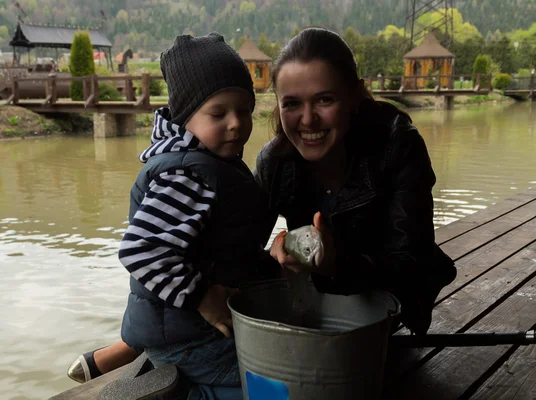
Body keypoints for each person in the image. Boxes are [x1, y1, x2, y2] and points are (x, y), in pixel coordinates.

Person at [68, 32, 278, 399]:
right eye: (219, 113)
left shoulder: (208, 161)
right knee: (267, 384)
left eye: (245, 110)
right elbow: (142, 249)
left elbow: (221, 246)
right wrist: (201, 296)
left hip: (193, 329)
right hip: (191, 336)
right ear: (185, 117)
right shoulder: (187, 174)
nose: (236, 123)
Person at [256, 27, 457, 335]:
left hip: (391, 303)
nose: (308, 119)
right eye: (292, 104)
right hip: (315, 306)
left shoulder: (397, 147)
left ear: (355, 95)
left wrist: (337, 264)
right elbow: (242, 242)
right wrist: (281, 252)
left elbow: (411, 264)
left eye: (324, 100)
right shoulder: (274, 162)